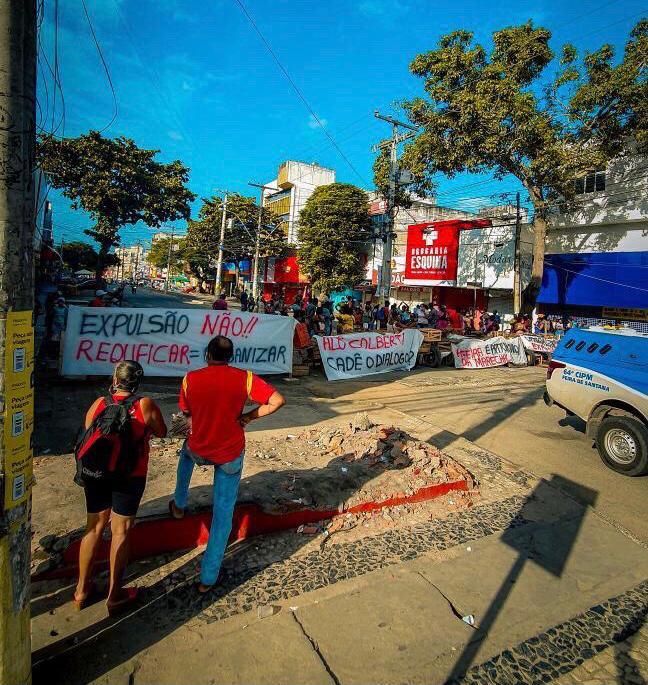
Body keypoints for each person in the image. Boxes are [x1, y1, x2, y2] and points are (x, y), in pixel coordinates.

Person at [170, 336, 285, 592]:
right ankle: (208, 578)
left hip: (198, 446)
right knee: (223, 512)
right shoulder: (244, 378)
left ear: (208, 354)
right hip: (230, 452)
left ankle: (178, 504)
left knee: (185, 454)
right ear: (230, 356)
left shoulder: (190, 378)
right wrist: (248, 417)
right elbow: (278, 400)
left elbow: (185, 413)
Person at [74, 361, 167, 614]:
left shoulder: (99, 404)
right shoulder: (144, 405)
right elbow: (162, 431)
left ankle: (81, 590)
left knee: (93, 527)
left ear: (115, 379)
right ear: (137, 382)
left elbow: (88, 432)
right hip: (130, 475)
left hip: (97, 473)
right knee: (121, 531)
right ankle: (115, 596)